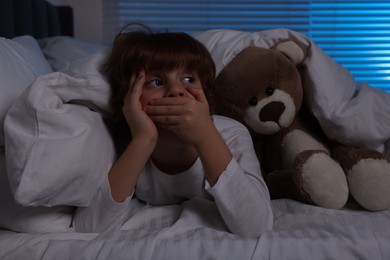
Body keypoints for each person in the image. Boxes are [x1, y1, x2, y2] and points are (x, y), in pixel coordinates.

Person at [73, 25, 273, 238]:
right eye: (156, 82)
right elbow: (88, 230)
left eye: (188, 79)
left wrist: (206, 136)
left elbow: (258, 227)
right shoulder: (124, 144)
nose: (177, 90)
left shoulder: (231, 134)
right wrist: (143, 140)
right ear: (131, 100)